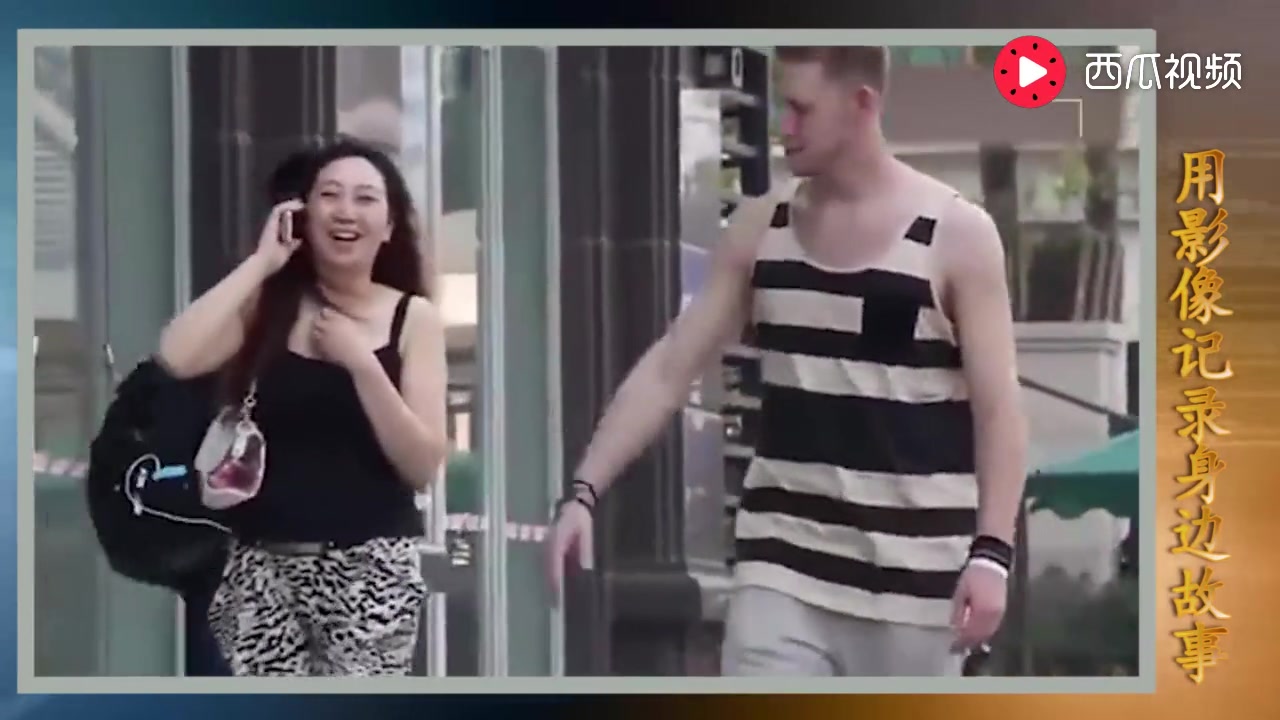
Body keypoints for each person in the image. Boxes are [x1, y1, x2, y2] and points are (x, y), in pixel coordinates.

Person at [545, 46, 1028, 677]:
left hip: (917, 590)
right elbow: (671, 366)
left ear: (861, 105)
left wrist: (992, 555)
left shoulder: (955, 234)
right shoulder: (762, 227)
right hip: (783, 573)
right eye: (782, 107)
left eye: (802, 109)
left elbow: (1000, 410)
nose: (784, 126)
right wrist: (583, 492)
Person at [157, 138, 449, 676]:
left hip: (370, 572)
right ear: (303, 215)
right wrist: (262, 263)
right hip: (260, 570)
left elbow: (422, 464)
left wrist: (361, 364)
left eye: (365, 198)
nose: (345, 210)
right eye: (329, 195)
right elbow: (176, 355)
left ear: (388, 227)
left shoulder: (414, 318)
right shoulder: (272, 306)